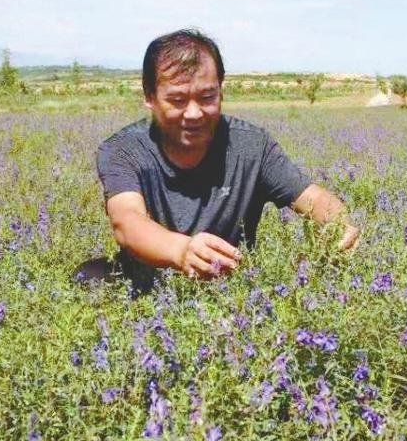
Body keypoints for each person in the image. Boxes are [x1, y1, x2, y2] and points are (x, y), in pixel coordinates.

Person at [75, 29, 358, 288]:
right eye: (177, 100)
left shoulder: (251, 146)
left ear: (221, 90)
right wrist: (182, 252)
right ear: (149, 97)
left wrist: (338, 221)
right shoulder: (124, 149)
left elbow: (314, 198)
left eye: (207, 97)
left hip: (228, 290)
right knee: (84, 277)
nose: (194, 113)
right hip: (148, 293)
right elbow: (127, 222)